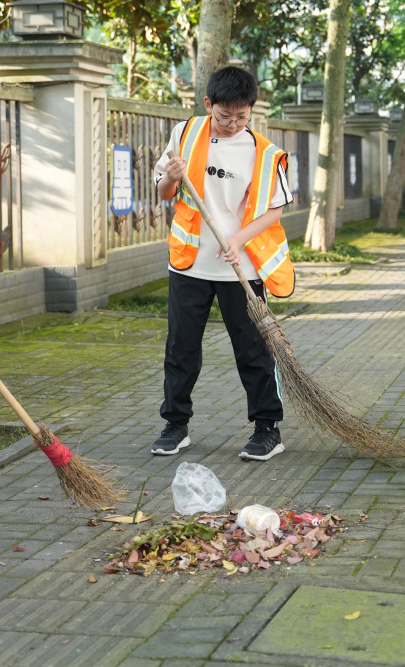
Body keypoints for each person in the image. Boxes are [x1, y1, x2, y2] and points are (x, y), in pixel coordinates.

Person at [149, 65, 294, 462]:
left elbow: (274, 212)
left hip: (241, 266)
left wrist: (237, 240)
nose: (232, 124)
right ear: (208, 104)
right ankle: (175, 426)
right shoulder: (184, 133)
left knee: (253, 349)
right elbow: (164, 192)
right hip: (189, 263)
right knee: (180, 348)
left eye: (241, 117)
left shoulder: (265, 153)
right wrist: (170, 176)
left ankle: (267, 429)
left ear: (251, 111)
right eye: (224, 115)